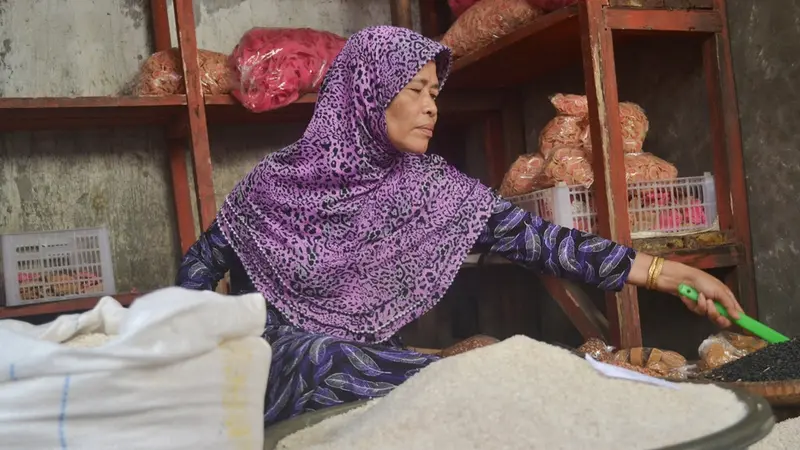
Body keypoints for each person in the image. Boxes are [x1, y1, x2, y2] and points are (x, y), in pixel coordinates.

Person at [176, 25, 743, 426]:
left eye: (435, 93)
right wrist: (190, 342)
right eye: (415, 90)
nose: (431, 107)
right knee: (318, 354)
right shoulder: (277, 183)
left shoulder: (427, 188)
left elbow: (535, 238)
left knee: (481, 361)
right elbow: (203, 262)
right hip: (291, 369)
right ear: (365, 94)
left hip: (381, 380)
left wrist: (669, 274)